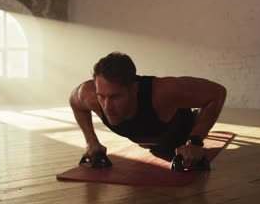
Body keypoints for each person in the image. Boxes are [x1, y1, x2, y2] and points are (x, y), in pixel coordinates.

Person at [69, 52, 227, 169]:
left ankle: (194, 118)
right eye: (101, 96)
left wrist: (195, 142)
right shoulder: (88, 94)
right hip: (148, 140)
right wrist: (91, 142)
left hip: (179, 131)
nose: (107, 106)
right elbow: (75, 103)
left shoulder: (163, 92)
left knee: (191, 119)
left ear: (135, 88)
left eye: (115, 97)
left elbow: (217, 93)